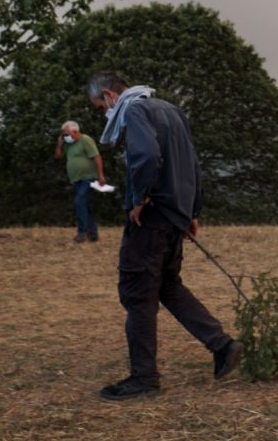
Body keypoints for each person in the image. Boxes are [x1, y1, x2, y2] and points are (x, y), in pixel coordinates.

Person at [87, 71, 242, 401]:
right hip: (174, 215)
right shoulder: (170, 109)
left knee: (137, 294)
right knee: (168, 285)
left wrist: (139, 198)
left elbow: (145, 156)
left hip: (151, 217)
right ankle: (223, 346)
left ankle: (144, 378)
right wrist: (192, 211)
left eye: (100, 107)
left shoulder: (134, 110)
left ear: (109, 95)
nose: (104, 113)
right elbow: (193, 164)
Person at [54, 120, 107, 243]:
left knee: (79, 202)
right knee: (85, 206)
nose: (65, 137)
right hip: (76, 179)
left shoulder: (85, 140)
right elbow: (58, 157)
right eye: (63, 135)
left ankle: (82, 232)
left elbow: (96, 157)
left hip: (88, 178)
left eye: (66, 134)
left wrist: (101, 175)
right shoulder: (68, 145)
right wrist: (59, 145)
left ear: (75, 131)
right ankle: (93, 235)